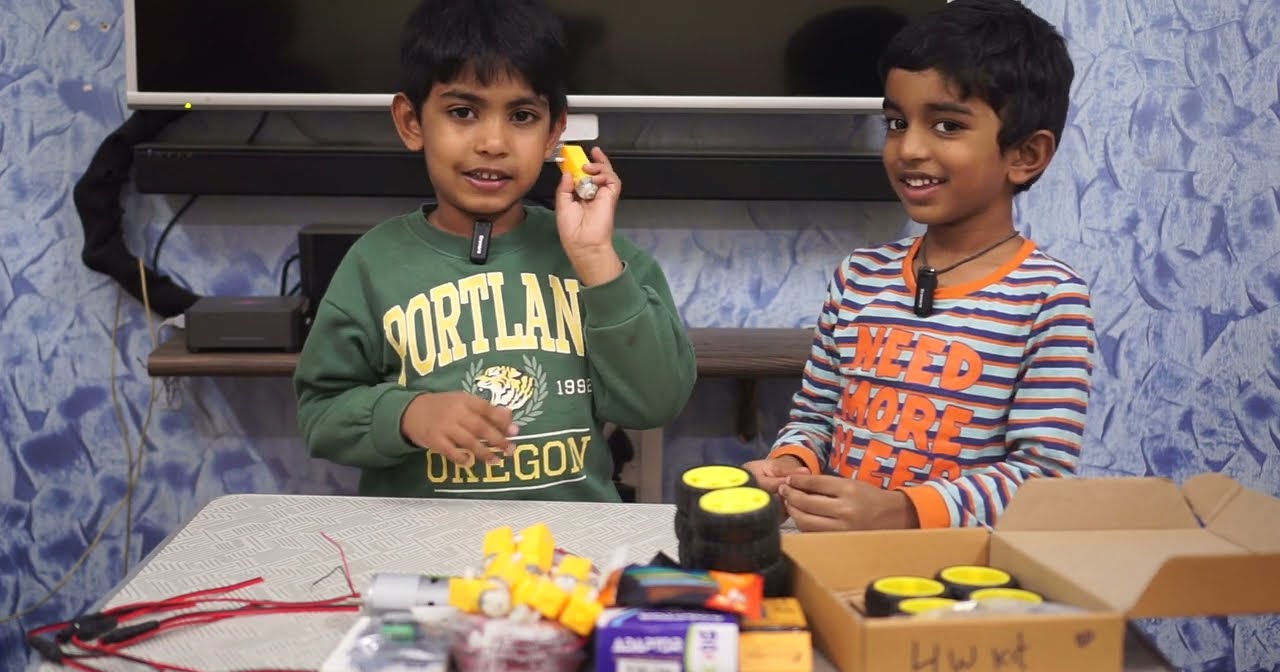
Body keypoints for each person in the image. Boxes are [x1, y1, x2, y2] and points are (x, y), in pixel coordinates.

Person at [293, 0, 696, 500]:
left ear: (554, 133)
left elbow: (655, 403)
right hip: (425, 552)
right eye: (463, 112)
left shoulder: (606, 259)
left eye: (522, 115)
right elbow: (320, 414)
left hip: (566, 552)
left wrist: (595, 261)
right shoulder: (372, 264)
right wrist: (408, 414)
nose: (493, 142)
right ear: (411, 122)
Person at [745, 0, 1096, 531]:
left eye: (947, 126)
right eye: (895, 122)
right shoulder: (858, 277)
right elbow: (816, 418)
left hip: (956, 584)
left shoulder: (1050, 298)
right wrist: (787, 467)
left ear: (1025, 155)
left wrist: (905, 511)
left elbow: (1039, 478)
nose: (908, 148)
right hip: (835, 558)